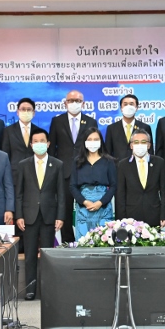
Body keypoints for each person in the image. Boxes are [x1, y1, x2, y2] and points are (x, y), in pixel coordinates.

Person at [15, 130, 65, 300]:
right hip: (29, 216)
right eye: (35, 141)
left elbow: (61, 193)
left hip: (49, 216)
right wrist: (19, 215)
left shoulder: (57, 164)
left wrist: (60, 216)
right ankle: (30, 290)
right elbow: (19, 193)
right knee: (29, 255)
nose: (39, 144)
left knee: (47, 255)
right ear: (31, 145)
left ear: (48, 143)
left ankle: (47, 290)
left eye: (42, 140)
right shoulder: (23, 164)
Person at [48, 90, 98, 243]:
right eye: (71, 100)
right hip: (64, 173)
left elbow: (95, 148)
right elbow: (52, 148)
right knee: (65, 209)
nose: (74, 103)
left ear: (83, 103)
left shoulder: (91, 122)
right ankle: (68, 242)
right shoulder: (57, 121)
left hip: (85, 171)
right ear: (65, 103)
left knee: (87, 208)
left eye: (77, 100)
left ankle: (87, 241)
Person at [70, 128, 117, 240]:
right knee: (84, 241)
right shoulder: (77, 161)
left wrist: (100, 202)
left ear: (101, 141)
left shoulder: (108, 161)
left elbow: (114, 185)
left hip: (103, 207)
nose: (93, 142)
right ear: (84, 142)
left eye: (96, 139)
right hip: (83, 208)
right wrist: (84, 202)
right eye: (89, 139)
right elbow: (72, 186)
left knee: (103, 241)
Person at [116, 129, 165, 227]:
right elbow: (120, 194)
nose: (140, 145)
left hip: (154, 214)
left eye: (143, 142)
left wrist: (164, 215)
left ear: (149, 145)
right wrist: (122, 219)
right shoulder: (123, 165)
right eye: (136, 142)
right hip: (131, 217)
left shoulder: (159, 162)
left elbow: (164, 191)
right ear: (131, 145)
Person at [1, 97, 46, 187]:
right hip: (14, 176)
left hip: (35, 175)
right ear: (17, 112)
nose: (26, 112)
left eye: (29, 110)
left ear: (33, 113)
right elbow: (5, 154)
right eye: (23, 109)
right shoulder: (8, 131)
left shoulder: (39, 131)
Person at [105, 94, 153, 161]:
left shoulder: (145, 127)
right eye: (125, 104)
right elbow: (108, 152)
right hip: (117, 165)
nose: (128, 106)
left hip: (139, 165)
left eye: (131, 104)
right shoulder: (111, 128)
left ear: (136, 108)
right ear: (121, 108)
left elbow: (150, 151)